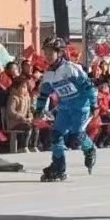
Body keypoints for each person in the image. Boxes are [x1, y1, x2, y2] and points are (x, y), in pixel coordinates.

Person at [33, 36, 99, 182]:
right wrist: (38, 110)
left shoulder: (71, 68)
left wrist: (94, 104)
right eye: (45, 52)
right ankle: (58, 166)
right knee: (56, 135)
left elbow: (89, 87)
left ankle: (89, 149)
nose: (47, 56)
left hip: (80, 107)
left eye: (51, 52)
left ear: (60, 53)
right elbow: (43, 95)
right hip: (65, 108)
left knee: (78, 133)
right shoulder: (48, 74)